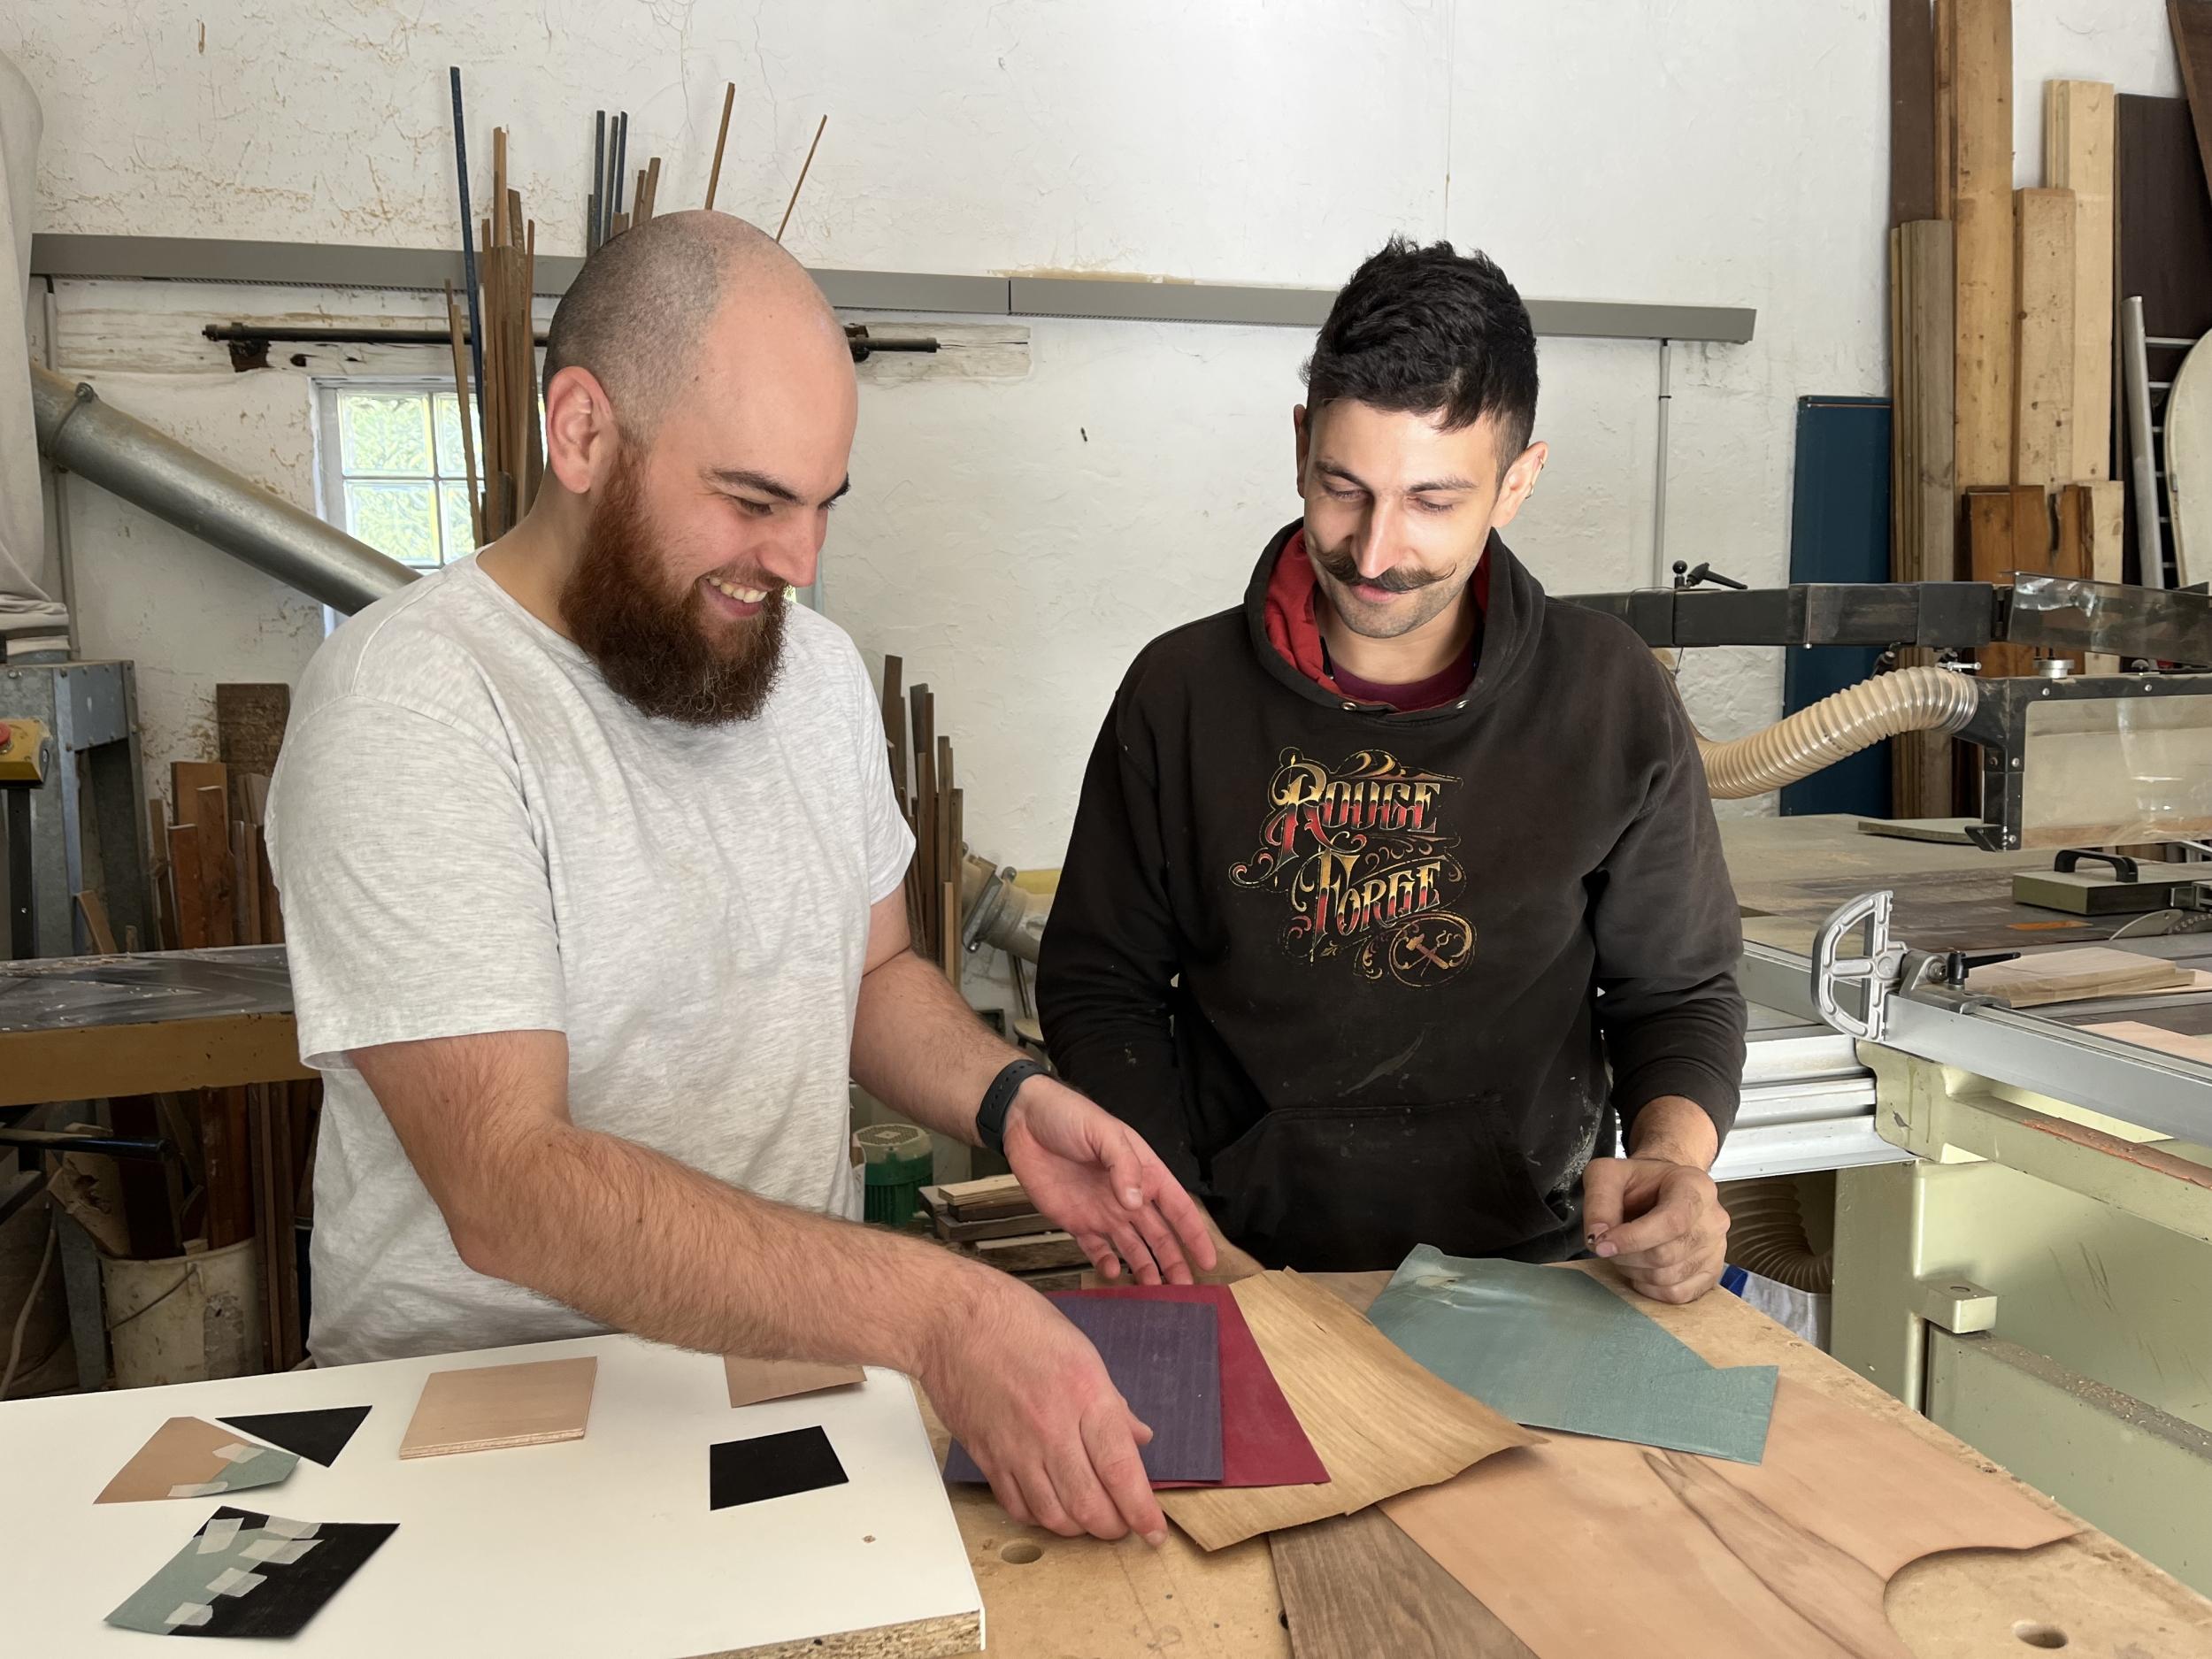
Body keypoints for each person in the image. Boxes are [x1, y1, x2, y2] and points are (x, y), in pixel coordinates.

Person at [266, 211, 1215, 1547]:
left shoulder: (808, 673)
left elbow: (871, 970)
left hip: (783, 1371)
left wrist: (1008, 1097)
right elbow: (507, 1180)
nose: (798, 561)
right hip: (488, 1424)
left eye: (823, 504)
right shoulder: (416, 701)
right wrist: (940, 1308)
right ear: (583, 432)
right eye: (753, 499)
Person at [1038, 237, 1746, 1304]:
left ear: (1517, 483)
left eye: (1431, 501)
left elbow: (1678, 991)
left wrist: (1675, 1168)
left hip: (1538, 1275)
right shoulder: (1179, 694)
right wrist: (1181, 1236)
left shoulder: (1608, 696)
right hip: (1235, 1264)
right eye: (1344, 489)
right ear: (1298, 446)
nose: (1373, 552)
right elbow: (1102, 989)